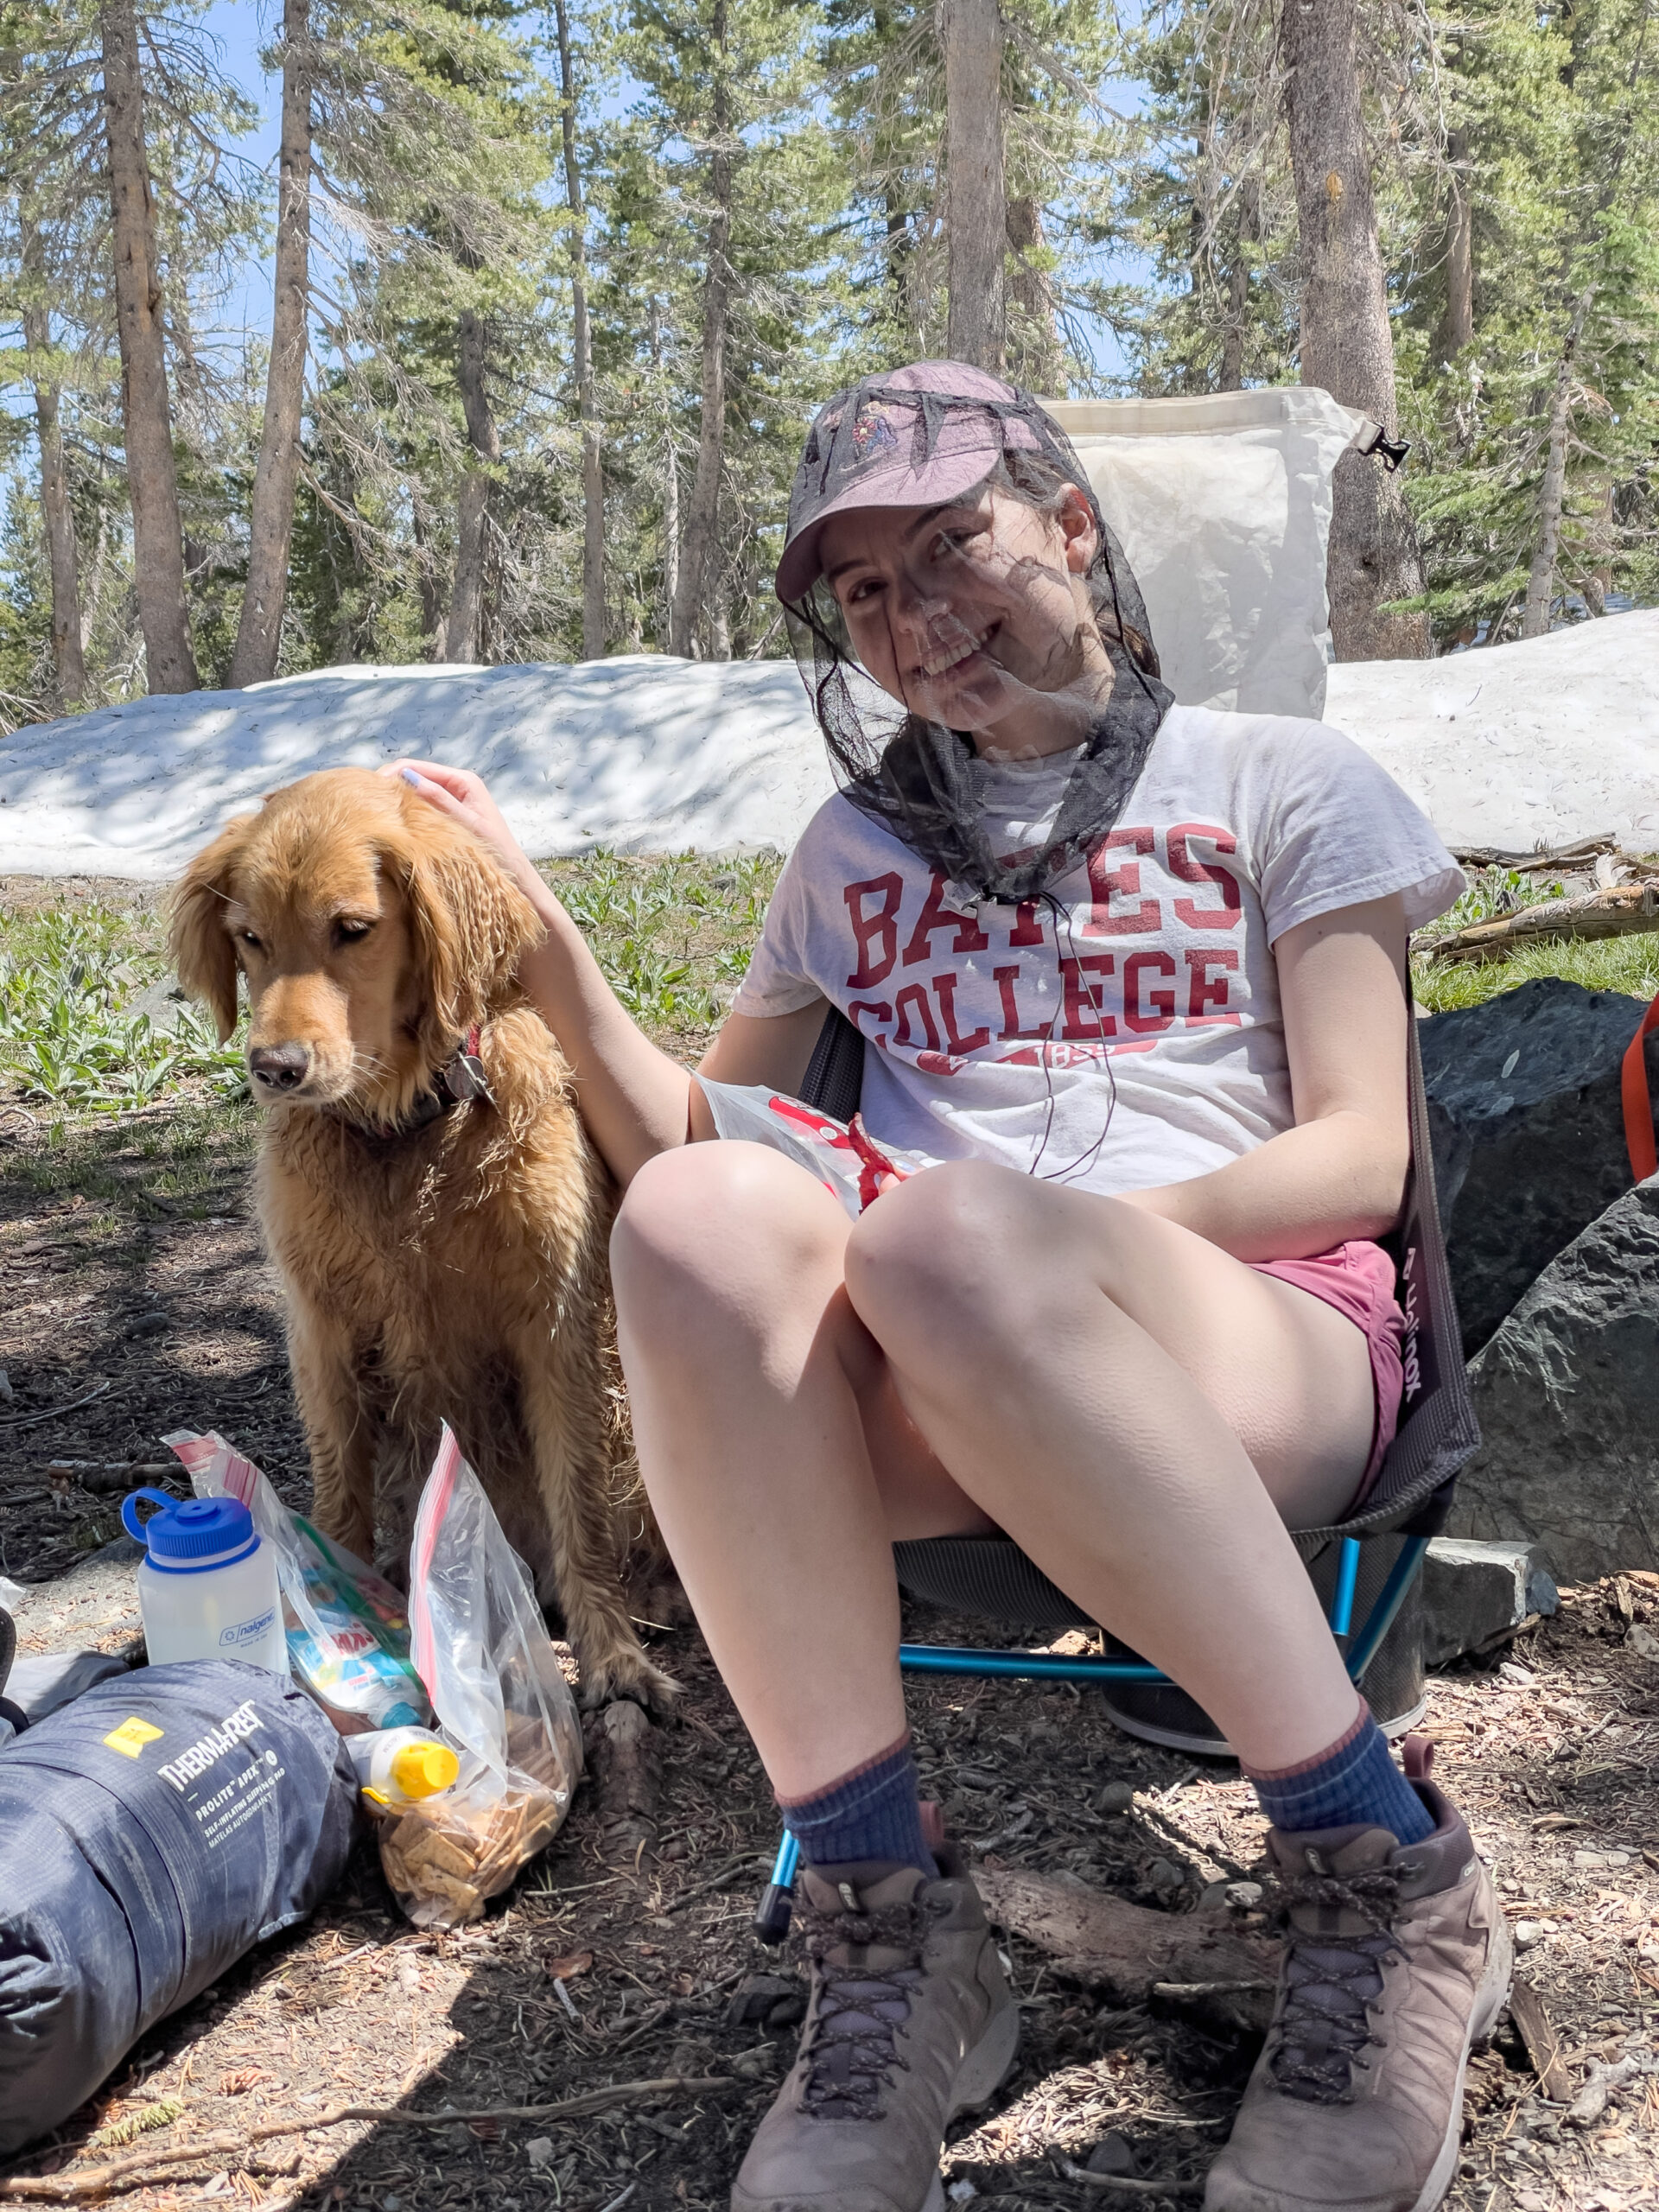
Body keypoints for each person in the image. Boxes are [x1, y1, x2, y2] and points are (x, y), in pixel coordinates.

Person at [394, 361, 1511, 2212]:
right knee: (694, 1224)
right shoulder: (853, 855)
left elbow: (1359, 1157)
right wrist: (554, 965)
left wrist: (1073, 1230)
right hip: (942, 1354)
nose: (920, 617)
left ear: (1070, 527)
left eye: (952, 546)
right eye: (868, 594)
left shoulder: (1280, 779)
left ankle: (1384, 1880)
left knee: (943, 1230)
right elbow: (710, 1132)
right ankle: (893, 1927)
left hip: (1262, 1335)